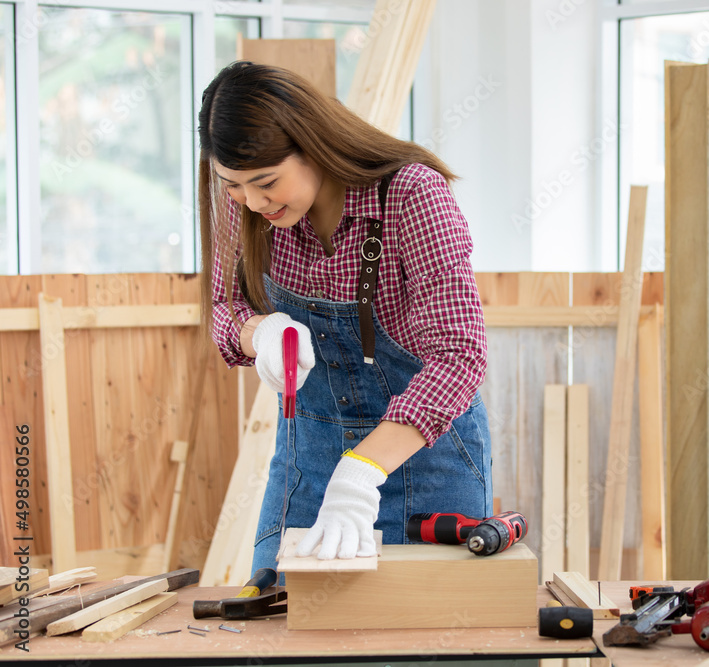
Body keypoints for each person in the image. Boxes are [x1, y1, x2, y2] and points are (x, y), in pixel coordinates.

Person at [197, 61, 492, 572]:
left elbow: (459, 356)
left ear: (313, 145)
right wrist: (260, 331)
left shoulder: (410, 194)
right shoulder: (248, 204)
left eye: (267, 182)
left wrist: (360, 473)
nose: (252, 201)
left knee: (422, 639)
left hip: (426, 464)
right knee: (281, 621)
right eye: (233, 186)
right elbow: (226, 308)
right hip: (308, 466)